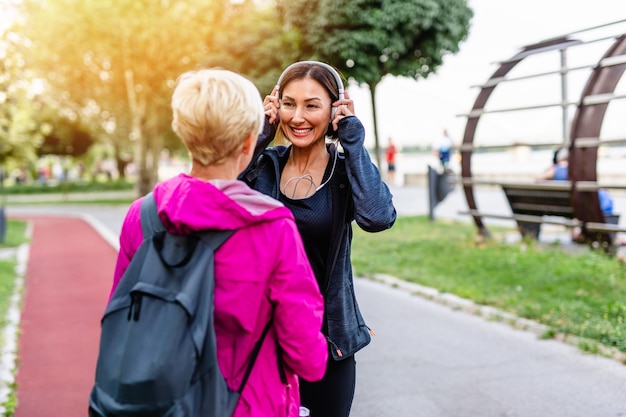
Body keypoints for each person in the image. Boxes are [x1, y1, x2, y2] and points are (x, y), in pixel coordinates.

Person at [110, 69, 328, 416]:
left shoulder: (144, 215)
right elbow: (307, 356)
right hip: (248, 403)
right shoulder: (271, 226)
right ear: (247, 142)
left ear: (184, 132)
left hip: (164, 401)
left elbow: (122, 317)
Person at [240, 61, 397, 417]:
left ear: (334, 110)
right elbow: (218, 198)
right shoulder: (263, 166)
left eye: (312, 105)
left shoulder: (343, 173)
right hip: (261, 340)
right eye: (290, 104)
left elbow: (377, 217)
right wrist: (260, 134)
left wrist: (353, 141)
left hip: (328, 341)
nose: (299, 116)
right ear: (276, 106)